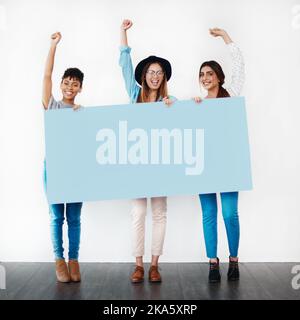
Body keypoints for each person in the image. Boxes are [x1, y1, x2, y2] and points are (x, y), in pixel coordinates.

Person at [119, 19, 175, 283]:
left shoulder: (170, 102)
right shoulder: (134, 96)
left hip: (161, 165)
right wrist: (123, 34)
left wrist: (176, 106)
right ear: (144, 76)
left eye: (159, 72)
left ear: (163, 77)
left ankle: (155, 265)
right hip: (137, 164)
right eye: (151, 72)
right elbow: (124, 65)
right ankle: (138, 264)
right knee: (138, 213)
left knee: (160, 212)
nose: (155, 76)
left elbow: (187, 125)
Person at [194, 28, 245, 283]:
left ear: (218, 77)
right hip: (204, 166)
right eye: (202, 74)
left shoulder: (231, 96)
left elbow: (238, 64)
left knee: (228, 214)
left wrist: (226, 37)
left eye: (209, 73)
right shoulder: (198, 105)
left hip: (228, 167)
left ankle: (233, 260)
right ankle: (212, 262)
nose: (205, 78)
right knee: (208, 214)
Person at [42, 32, 84, 283]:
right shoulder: (52, 105)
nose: (70, 87)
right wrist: (53, 45)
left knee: (75, 218)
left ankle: (74, 259)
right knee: (57, 216)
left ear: (80, 88)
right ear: (61, 85)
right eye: (66, 82)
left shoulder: (83, 112)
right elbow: (46, 75)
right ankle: (59, 259)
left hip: (76, 171)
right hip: (55, 169)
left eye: (75, 83)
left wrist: (82, 118)